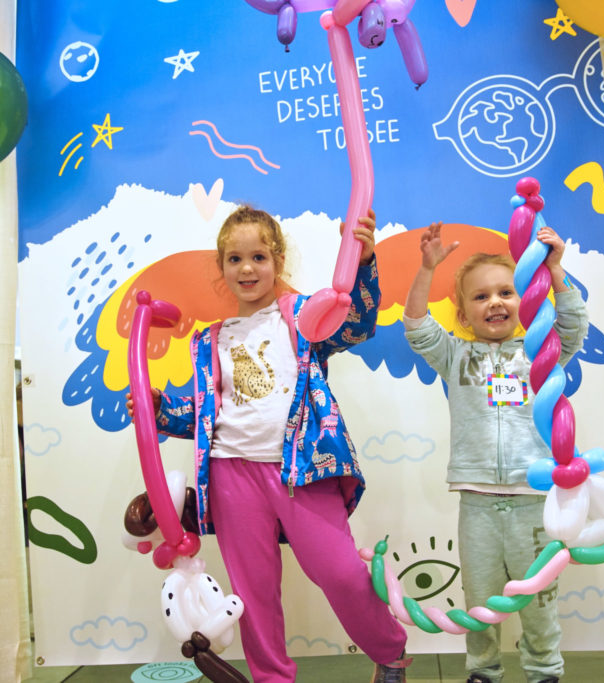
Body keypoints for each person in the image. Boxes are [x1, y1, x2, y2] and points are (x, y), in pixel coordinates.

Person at [129, 205, 409, 683]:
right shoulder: (208, 340)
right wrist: (157, 409)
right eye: (234, 260)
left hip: (301, 467)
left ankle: (390, 652)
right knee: (254, 594)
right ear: (221, 268)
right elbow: (203, 414)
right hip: (229, 472)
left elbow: (358, 324)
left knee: (340, 573)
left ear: (277, 261)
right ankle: (271, 678)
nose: (247, 269)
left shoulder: (300, 318)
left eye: (258, 256)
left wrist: (363, 259)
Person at [402, 223, 588, 683]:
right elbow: (417, 327)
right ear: (464, 313)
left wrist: (556, 269)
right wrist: (427, 269)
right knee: (480, 600)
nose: (495, 302)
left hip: (534, 498)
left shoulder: (540, 353)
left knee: (539, 597)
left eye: (506, 292)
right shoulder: (456, 356)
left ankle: (544, 669)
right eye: (480, 297)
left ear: (523, 301)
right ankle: (482, 670)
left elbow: (573, 325)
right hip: (478, 502)